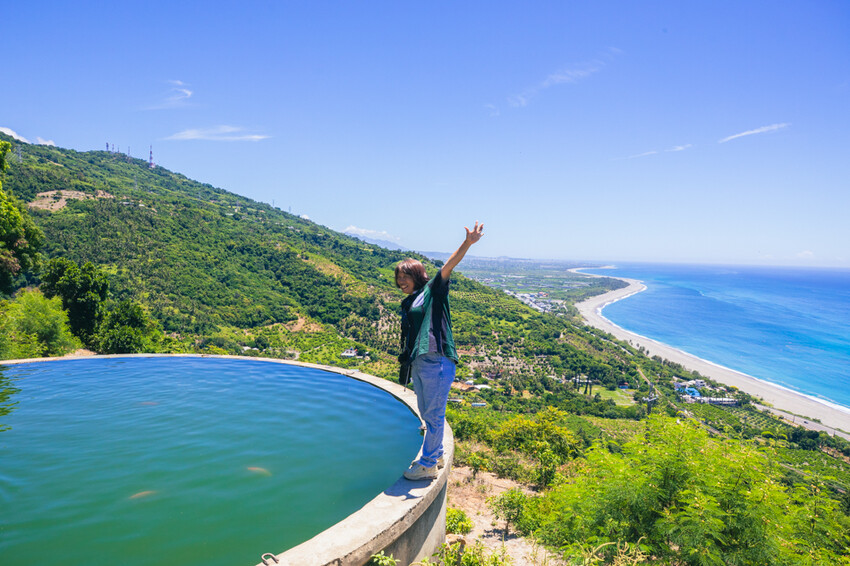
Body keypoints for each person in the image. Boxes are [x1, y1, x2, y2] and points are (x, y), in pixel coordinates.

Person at [396, 221, 484, 480]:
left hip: (436, 360)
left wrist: (467, 243)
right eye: (398, 278)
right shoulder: (409, 301)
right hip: (420, 362)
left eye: (406, 276)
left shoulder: (432, 290)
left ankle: (427, 465)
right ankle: (437, 453)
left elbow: (448, 266)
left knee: (434, 416)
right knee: (427, 414)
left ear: (418, 275)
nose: (401, 281)